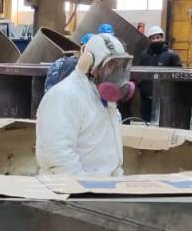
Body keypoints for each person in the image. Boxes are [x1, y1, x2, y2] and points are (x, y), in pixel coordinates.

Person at [35, 33, 134, 176]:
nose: (117, 72)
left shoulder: (106, 100)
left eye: (121, 65)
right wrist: (84, 186)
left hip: (103, 186)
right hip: (73, 188)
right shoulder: (63, 95)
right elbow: (58, 156)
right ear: (89, 64)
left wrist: (117, 179)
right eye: (111, 64)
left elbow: (110, 157)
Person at [136, 25, 183, 121]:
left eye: (158, 37)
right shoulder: (144, 55)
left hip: (165, 98)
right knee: (146, 122)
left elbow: (179, 74)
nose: (156, 40)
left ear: (162, 38)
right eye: (153, 38)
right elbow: (139, 73)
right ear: (150, 39)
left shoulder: (171, 55)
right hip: (146, 98)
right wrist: (141, 85)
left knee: (163, 123)